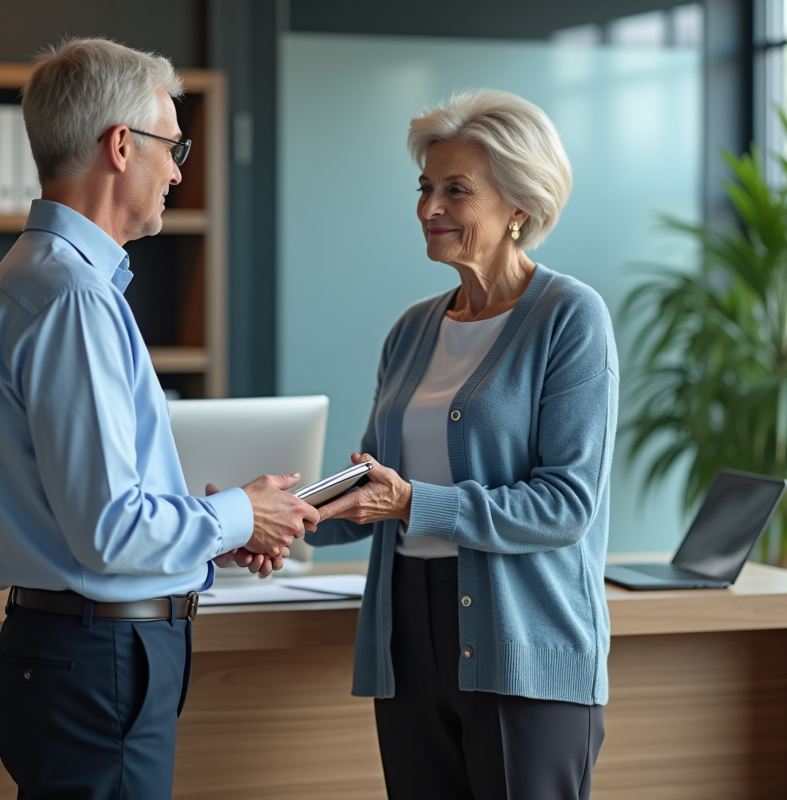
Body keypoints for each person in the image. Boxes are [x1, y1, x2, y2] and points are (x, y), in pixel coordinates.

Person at [0, 37, 318, 800]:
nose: (180, 171)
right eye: (173, 146)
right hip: (99, 656)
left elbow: (92, 518)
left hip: (77, 650)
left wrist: (224, 525)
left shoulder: (37, 278)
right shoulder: (75, 298)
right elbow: (109, 528)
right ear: (121, 146)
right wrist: (234, 516)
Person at [307, 89, 616, 799]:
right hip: (407, 637)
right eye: (425, 186)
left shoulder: (570, 318)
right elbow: (373, 486)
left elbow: (565, 505)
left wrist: (416, 503)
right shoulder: (412, 329)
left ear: (519, 208)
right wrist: (287, 515)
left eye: (455, 190)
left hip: (525, 644)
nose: (428, 207)